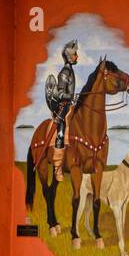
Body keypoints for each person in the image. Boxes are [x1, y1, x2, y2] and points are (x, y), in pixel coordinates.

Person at [44, 41, 80, 182]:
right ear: (68, 56)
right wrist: (71, 96)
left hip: (70, 104)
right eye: (74, 54)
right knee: (61, 129)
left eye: (76, 54)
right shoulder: (64, 73)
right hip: (63, 106)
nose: (77, 56)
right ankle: (57, 168)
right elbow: (59, 94)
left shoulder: (70, 71)